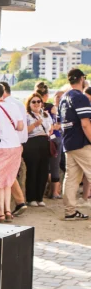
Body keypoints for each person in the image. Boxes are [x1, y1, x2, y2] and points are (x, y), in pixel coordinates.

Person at [59, 67, 91, 221]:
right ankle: (70, 210)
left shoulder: (64, 97)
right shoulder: (80, 97)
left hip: (68, 142)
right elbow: (85, 124)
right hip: (81, 142)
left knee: (71, 178)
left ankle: (70, 211)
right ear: (81, 79)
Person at [0, 82, 25, 222]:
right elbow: (20, 126)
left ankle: (0, 213)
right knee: (8, 181)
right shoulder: (13, 106)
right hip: (15, 146)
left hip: (0, 146)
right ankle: (7, 211)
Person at [23, 93, 52, 206]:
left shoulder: (45, 114)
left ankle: (39, 197)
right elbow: (24, 131)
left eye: (38, 101)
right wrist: (35, 124)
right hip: (32, 142)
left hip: (44, 142)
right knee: (32, 170)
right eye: (33, 102)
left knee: (43, 170)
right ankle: (31, 198)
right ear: (29, 104)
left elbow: (50, 127)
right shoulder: (26, 116)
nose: (36, 104)